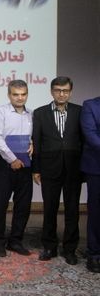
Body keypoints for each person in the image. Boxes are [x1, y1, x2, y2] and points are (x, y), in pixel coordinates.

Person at [32, 77, 82, 265]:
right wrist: (36, 169)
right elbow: (37, 142)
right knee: (49, 209)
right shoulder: (40, 112)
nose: (62, 94)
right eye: (58, 90)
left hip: (73, 168)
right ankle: (49, 247)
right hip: (49, 168)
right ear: (52, 91)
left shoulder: (79, 111)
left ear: (71, 92)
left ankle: (70, 249)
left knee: (72, 210)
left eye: (65, 90)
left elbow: (84, 140)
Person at [0, 79, 33, 257]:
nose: (20, 98)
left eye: (23, 94)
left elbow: (33, 137)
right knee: (1, 205)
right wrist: (12, 159)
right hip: (4, 166)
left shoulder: (32, 114)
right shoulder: (0, 112)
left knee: (23, 206)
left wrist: (33, 143)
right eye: (16, 94)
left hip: (26, 166)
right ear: (9, 95)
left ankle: (15, 241)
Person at [80, 96, 100, 273]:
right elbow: (90, 135)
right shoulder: (90, 105)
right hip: (97, 168)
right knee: (96, 212)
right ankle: (94, 254)